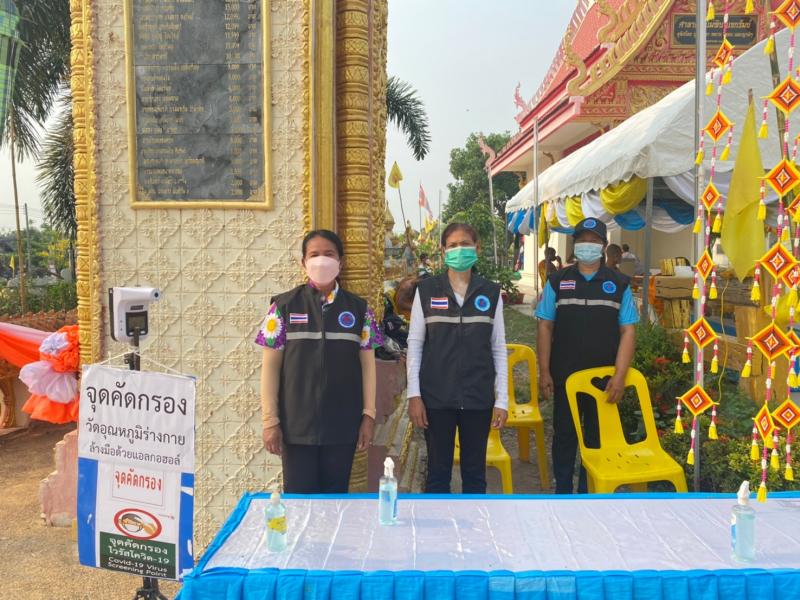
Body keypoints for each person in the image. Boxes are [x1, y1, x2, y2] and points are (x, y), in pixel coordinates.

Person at [257, 229, 383, 493]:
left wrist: (368, 415)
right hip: (296, 427)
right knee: (299, 504)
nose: (321, 260)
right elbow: (270, 367)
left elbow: (368, 367)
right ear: (303, 262)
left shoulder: (360, 310)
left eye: (329, 254)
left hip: (342, 425)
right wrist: (270, 420)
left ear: (340, 262)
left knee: (335, 503)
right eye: (314, 255)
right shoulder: (283, 307)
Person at [536, 218, 638, 494]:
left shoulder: (619, 284)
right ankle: (563, 492)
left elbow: (628, 331)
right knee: (564, 435)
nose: (587, 245)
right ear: (574, 244)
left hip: (603, 380)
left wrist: (620, 375)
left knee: (595, 438)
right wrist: (544, 371)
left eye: (594, 241)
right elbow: (545, 325)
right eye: (582, 240)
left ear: (603, 246)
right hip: (565, 376)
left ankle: (586, 493)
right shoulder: (558, 281)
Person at [406, 222, 508, 493]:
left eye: (465, 244)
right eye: (452, 245)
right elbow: (415, 344)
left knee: (475, 476)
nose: (459, 250)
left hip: (478, 397)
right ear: (443, 251)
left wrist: (502, 399)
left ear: (477, 248)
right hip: (436, 398)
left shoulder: (491, 292)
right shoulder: (426, 291)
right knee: (438, 475)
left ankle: (474, 522)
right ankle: (439, 523)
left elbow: (498, 348)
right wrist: (414, 395)